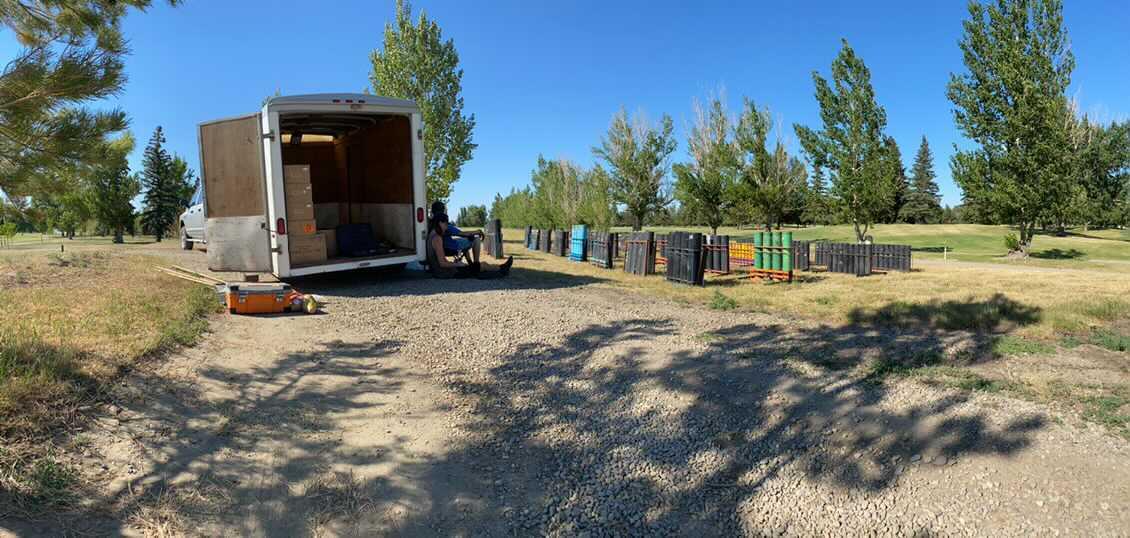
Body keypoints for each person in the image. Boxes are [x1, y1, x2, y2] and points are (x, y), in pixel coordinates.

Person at [427, 213, 512, 279]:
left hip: (441, 271)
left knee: (480, 266)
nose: (446, 227)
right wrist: (458, 265)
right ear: (440, 223)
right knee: (482, 266)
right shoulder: (437, 238)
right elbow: (442, 263)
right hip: (445, 273)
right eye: (445, 224)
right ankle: (502, 269)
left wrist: (455, 264)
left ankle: (502, 268)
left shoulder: (432, 234)